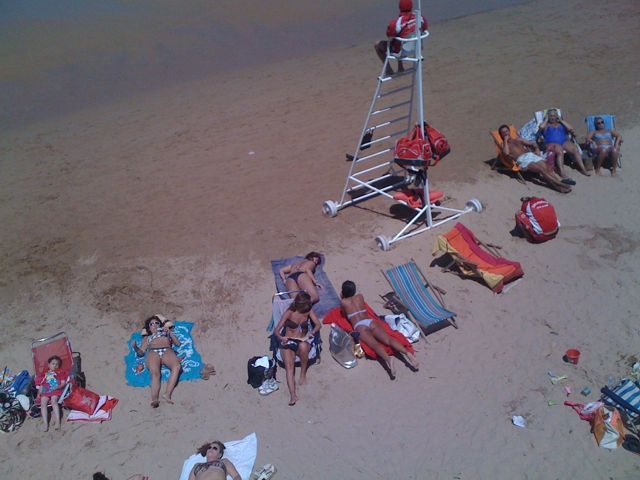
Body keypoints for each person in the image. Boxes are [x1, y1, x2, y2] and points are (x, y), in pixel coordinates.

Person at [340, 280, 419, 379]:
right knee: (388, 339)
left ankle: (388, 360)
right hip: (370, 322)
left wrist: (342, 297)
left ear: (343, 291)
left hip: (360, 326)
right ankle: (408, 354)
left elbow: (344, 314)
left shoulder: (343, 302)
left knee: (375, 345)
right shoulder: (360, 296)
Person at [274, 292, 321, 406]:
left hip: (302, 340)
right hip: (289, 341)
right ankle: (293, 395)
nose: (308, 306)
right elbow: (276, 330)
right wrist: (281, 337)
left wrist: (312, 332)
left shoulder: (308, 311)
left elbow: (318, 324)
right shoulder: (289, 312)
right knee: (289, 367)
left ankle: (303, 373)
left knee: (303, 346)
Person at [498, 124, 572, 194]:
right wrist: (505, 141)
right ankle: (560, 185)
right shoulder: (504, 145)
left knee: (547, 167)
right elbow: (506, 153)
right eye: (503, 132)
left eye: (506, 131)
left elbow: (532, 143)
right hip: (522, 160)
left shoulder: (518, 139)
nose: (505, 133)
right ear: (501, 135)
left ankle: (557, 183)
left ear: (509, 131)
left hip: (530, 155)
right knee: (541, 169)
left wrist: (536, 148)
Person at [133, 314, 182, 408]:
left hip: (167, 349)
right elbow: (141, 353)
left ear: (160, 325)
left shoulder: (165, 333)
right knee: (155, 373)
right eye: (151, 324)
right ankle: (154, 399)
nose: (154, 325)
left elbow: (178, 343)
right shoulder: (147, 338)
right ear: (149, 328)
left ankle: (167, 394)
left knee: (177, 367)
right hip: (153, 351)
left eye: (157, 323)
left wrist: (170, 333)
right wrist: (135, 347)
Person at [374, 0, 428, 77]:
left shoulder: (397, 23)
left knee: (377, 44)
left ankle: (389, 70)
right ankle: (400, 67)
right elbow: (425, 27)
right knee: (401, 38)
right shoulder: (420, 18)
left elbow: (389, 35)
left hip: (402, 51)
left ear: (400, 7)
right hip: (417, 47)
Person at [537, 109, 590, 176]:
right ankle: (562, 172)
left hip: (564, 141)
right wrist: (546, 120)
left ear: (557, 116)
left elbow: (571, 128)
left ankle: (583, 169)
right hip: (551, 142)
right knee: (560, 151)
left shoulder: (561, 124)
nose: (552, 118)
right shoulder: (546, 125)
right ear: (548, 117)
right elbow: (541, 127)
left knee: (575, 150)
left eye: (554, 116)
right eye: (550, 116)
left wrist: (561, 120)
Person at [35, 355, 67, 431]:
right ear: (49, 364)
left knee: (54, 401)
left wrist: (57, 387)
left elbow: (63, 383)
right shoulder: (45, 373)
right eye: (53, 364)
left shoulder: (61, 372)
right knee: (43, 404)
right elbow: (42, 384)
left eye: (57, 364)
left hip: (56, 388)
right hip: (46, 389)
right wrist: (39, 393)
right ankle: (45, 424)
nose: (55, 366)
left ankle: (58, 421)